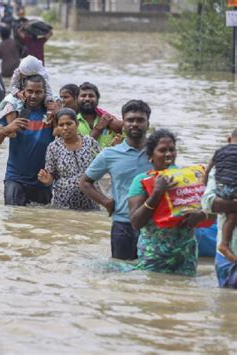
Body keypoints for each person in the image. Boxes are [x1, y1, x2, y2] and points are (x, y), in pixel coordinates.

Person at [128, 129, 208, 276]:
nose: (169, 154)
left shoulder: (186, 178)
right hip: (154, 255)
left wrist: (201, 215)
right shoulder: (142, 181)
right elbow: (136, 222)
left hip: (186, 254)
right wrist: (156, 193)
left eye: (172, 149)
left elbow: (212, 211)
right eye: (162, 150)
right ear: (150, 156)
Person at [79, 100, 153, 260]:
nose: (135, 124)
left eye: (140, 120)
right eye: (130, 120)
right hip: (123, 224)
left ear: (148, 123)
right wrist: (105, 201)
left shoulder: (158, 152)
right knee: (121, 275)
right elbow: (85, 182)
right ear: (123, 123)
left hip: (154, 225)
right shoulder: (109, 154)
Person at [0, 75, 53, 206]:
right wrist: (7, 129)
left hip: (43, 180)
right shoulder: (13, 111)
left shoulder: (52, 114)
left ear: (45, 93)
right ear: (23, 91)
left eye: (38, 92)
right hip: (15, 179)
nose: (33, 96)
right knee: (13, 218)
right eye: (30, 91)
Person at [38, 108, 99, 210]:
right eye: (61, 125)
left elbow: (102, 167)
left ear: (77, 124)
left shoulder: (90, 143)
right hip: (64, 204)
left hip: (91, 202)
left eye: (69, 124)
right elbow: (51, 175)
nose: (65, 128)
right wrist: (46, 179)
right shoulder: (53, 147)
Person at [204, 129, 237, 262]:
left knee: (232, 215)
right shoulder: (218, 168)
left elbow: (206, 170)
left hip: (224, 189)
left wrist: (204, 180)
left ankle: (224, 243)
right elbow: (208, 203)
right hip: (227, 260)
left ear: (229, 139)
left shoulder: (219, 154)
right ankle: (224, 244)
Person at [202, 165, 237, 288]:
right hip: (229, 257)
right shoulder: (223, 166)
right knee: (227, 302)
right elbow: (208, 203)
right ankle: (224, 244)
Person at [76, 82, 122, 149]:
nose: (87, 99)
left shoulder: (109, 120)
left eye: (91, 96)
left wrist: (120, 128)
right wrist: (98, 128)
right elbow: (79, 150)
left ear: (97, 99)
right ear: (76, 99)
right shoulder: (72, 123)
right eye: (83, 95)